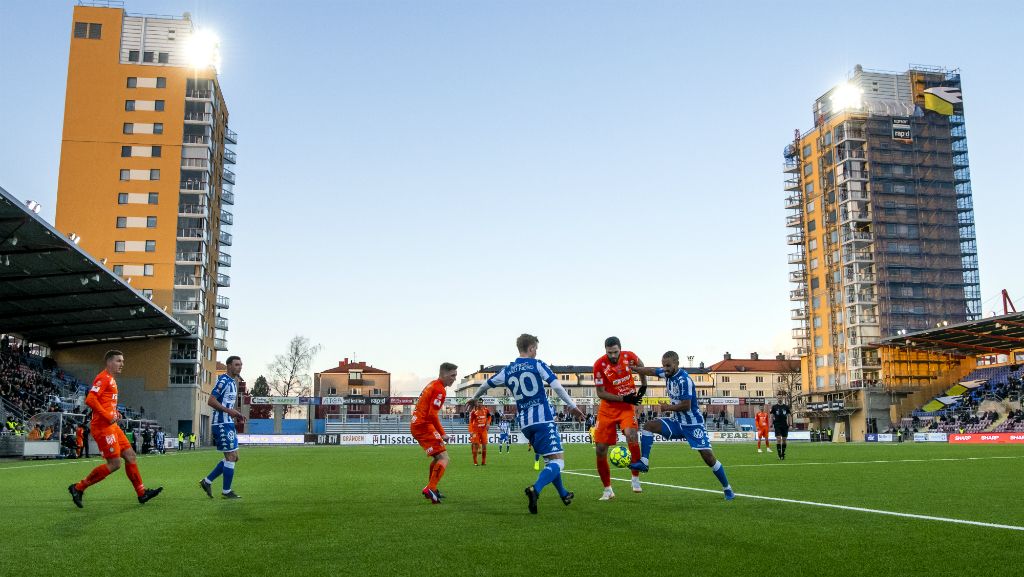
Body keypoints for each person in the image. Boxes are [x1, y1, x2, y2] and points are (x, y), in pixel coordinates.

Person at [467, 334, 585, 514]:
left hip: (525, 423)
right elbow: (558, 387)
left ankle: (564, 494)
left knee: (549, 461)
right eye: (535, 349)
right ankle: (535, 489)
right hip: (543, 419)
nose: (536, 352)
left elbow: (484, 386)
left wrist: (474, 398)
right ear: (530, 348)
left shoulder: (508, 370)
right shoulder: (537, 364)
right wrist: (573, 407)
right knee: (559, 462)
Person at [630, 352, 734, 500]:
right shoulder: (666, 373)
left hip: (693, 425)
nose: (665, 369)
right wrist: (634, 369)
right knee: (648, 426)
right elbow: (651, 371)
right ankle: (644, 462)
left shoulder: (684, 380)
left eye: (668, 365)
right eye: (663, 365)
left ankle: (727, 488)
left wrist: (667, 408)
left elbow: (686, 405)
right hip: (677, 423)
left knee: (708, 458)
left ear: (676, 363)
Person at [68, 350, 162, 508]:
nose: (122, 364)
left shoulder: (111, 379)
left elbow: (105, 402)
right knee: (115, 463)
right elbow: (90, 399)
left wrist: (115, 412)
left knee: (131, 456)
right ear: (109, 362)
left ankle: (142, 493)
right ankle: (78, 487)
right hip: (103, 427)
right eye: (119, 361)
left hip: (112, 426)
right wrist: (106, 415)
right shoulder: (103, 377)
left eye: (123, 361)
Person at [592, 336, 647, 499]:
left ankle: (635, 478)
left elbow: (642, 366)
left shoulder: (629, 357)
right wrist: (624, 398)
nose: (613, 356)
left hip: (626, 408)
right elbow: (601, 392)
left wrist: (643, 386)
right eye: (610, 353)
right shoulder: (599, 365)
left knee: (632, 434)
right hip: (607, 409)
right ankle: (607, 489)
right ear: (605, 351)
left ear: (620, 349)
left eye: (616, 352)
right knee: (600, 449)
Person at [410, 363, 458, 504]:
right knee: (444, 458)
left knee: (438, 458)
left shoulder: (433, 384)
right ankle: (430, 488)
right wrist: (443, 433)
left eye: (455, 375)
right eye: (452, 375)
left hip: (418, 424)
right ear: (443, 374)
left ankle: (432, 488)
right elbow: (432, 415)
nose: (454, 379)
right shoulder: (440, 389)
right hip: (424, 425)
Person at [200, 355, 245, 499]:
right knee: (231, 456)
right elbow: (211, 401)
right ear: (229, 366)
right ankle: (226, 491)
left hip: (228, 422)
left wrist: (236, 413)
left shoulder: (233, 382)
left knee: (234, 457)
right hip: (220, 423)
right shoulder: (223, 381)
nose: (240, 367)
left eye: (241, 364)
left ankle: (207, 481)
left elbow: (227, 404)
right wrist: (228, 411)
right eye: (237, 364)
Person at [771, 392, 793, 460]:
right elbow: (771, 416)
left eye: (781, 398)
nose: (779, 399)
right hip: (777, 424)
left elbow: (789, 416)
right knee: (778, 439)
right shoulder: (774, 407)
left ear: (782, 398)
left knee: (784, 440)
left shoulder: (786, 407)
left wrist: (790, 425)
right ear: (777, 398)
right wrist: (771, 425)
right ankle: (779, 454)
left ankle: (783, 454)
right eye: (778, 398)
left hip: (784, 425)